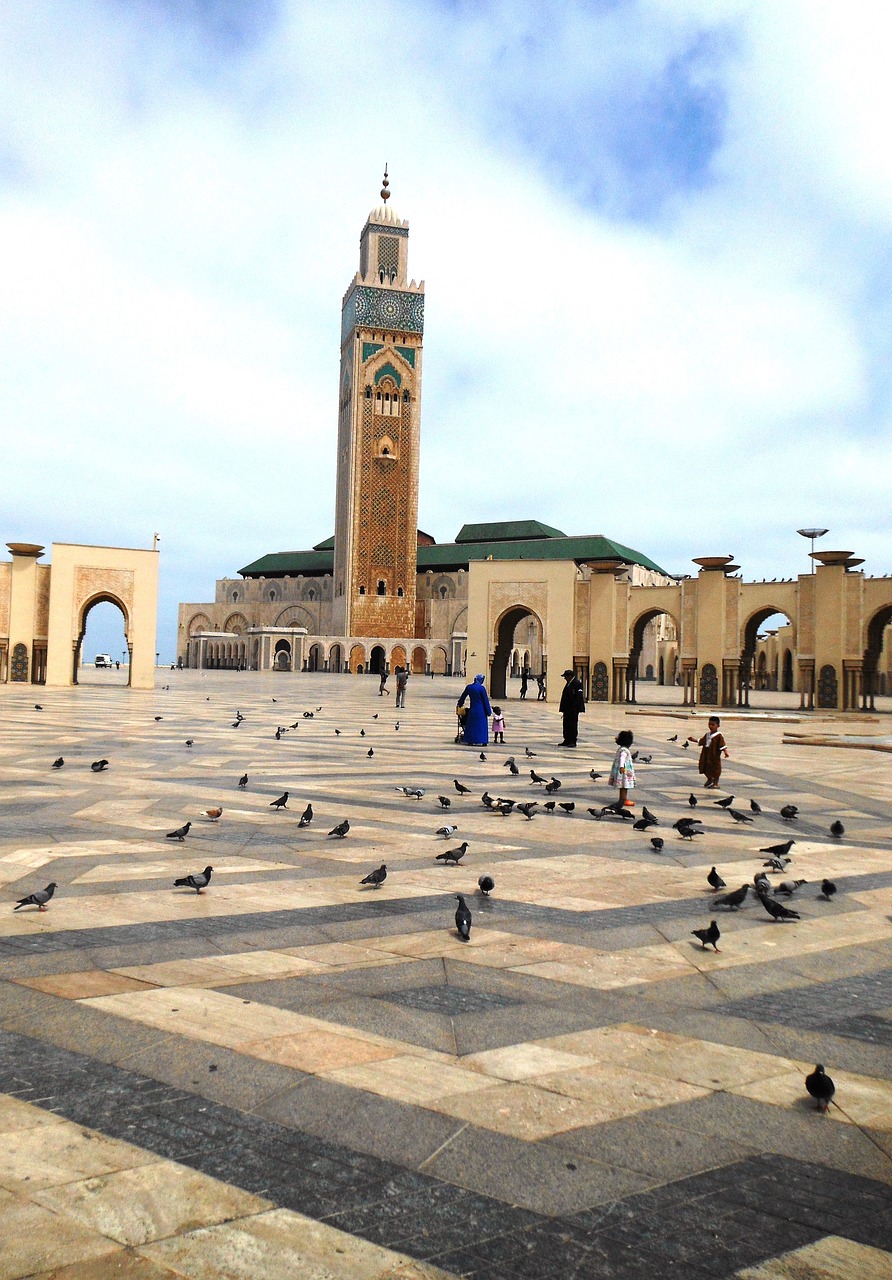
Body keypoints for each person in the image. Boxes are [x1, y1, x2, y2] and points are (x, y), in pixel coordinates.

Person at [689, 717, 729, 788]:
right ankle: (710, 779)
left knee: (716, 769)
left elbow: (722, 745)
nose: (710, 726)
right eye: (709, 724)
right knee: (704, 766)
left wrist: (725, 752)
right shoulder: (707, 734)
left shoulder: (719, 736)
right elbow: (702, 741)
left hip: (714, 756)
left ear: (718, 726)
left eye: (713, 725)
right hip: (706, 754)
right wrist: (693, 740)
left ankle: (715, 783)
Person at [457, 674, 492, 746]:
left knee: (472, 726)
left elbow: (462, 697)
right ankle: (483, 740)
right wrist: (488, 711)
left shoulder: (469, 687)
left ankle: (471, 740)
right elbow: (485, 700)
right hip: (481, 710)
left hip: (473, 709)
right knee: (481, 726)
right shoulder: (481, 688)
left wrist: (460, 704)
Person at [558, 669, 585, 747]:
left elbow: (578, 697)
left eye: (565, 677)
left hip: (573, 709)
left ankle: (572, 741)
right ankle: (566, 740)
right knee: (566, 724)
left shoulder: (577, 684)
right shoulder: (568, 684)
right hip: (567, 709)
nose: (565, 678)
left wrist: (575, 708)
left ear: (570, 676)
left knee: (572, 725)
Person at [609, 730, 636, 807]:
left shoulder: (621, 749)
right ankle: (623, 799)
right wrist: (621, 767)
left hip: (623, 770)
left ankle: (622, 799)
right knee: (624, 786)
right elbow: (622, 758)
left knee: (623, 786)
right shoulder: (624, 750)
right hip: (624, 771)